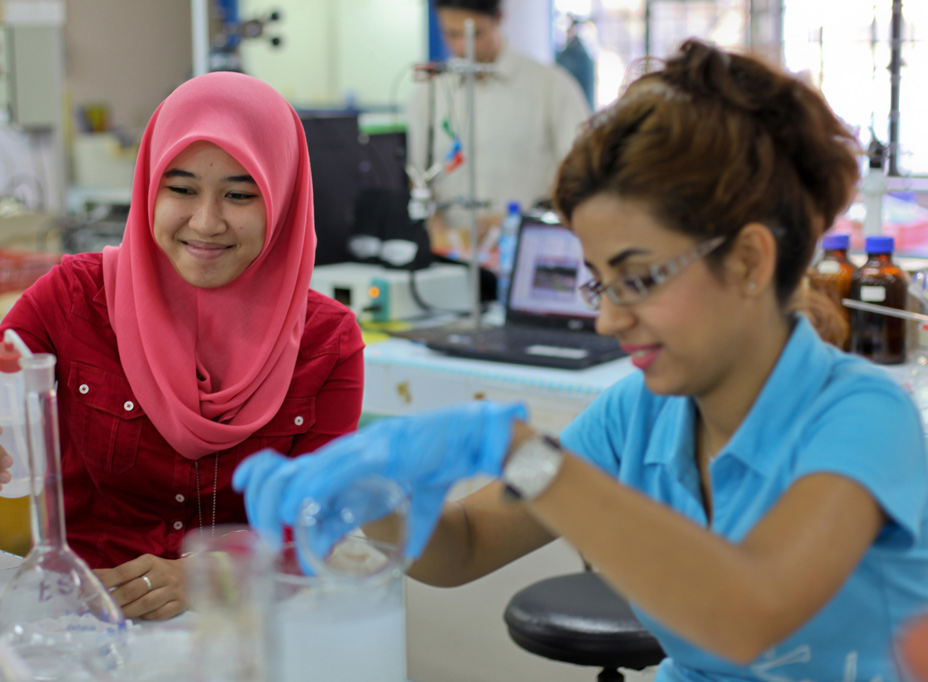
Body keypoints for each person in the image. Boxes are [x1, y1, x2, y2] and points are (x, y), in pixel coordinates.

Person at [234, 40, 928, 681]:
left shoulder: (862, 417)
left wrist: (519, 453)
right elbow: (467, 548)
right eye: (600, 282)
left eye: (638, 278)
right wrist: (378, 493)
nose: (606, 318)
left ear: (749, 260)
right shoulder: (642, 415)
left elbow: (748, 612)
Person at [0, 72, 365, 621]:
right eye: (181, 188)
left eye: (240, 195)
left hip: (237, 627)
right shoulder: (71, 298)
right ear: (150, 185)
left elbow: (317, 521)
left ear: (284, 200)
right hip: (78, 621)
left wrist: (213, 573)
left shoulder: (328, 343)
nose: (206, 221)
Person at [408, 0, 590, 259]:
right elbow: (415, 177)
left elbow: (582, 176)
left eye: (476, 34)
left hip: (529, 257)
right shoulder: (429, 94)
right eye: (452, 34)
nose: (463, 46)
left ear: (500, 19)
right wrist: (436, 227)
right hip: (449, 260)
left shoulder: (552, 87)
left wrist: (523, 221)